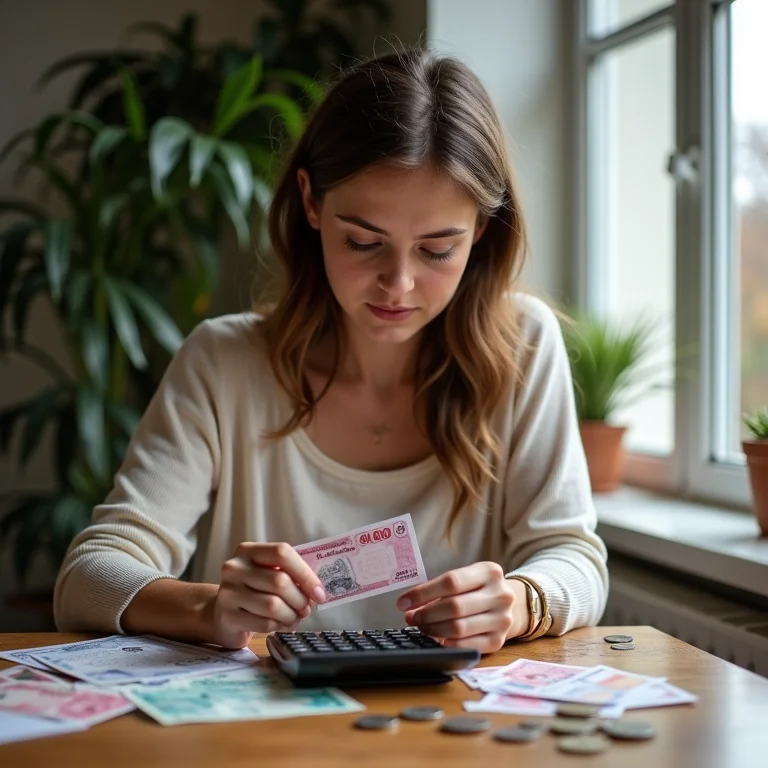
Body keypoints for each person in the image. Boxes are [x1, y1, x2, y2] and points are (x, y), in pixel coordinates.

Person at [54, 48, 608, 653]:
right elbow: (87, 578)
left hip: (448, 737)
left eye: (436, 249)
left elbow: (574, 558)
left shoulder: (522, 345)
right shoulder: (223, 363)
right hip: (264, 740)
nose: (398, 284)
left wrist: (522, 602)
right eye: (364, 241)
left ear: (479, 230)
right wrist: (210, 608)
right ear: (312, 203)